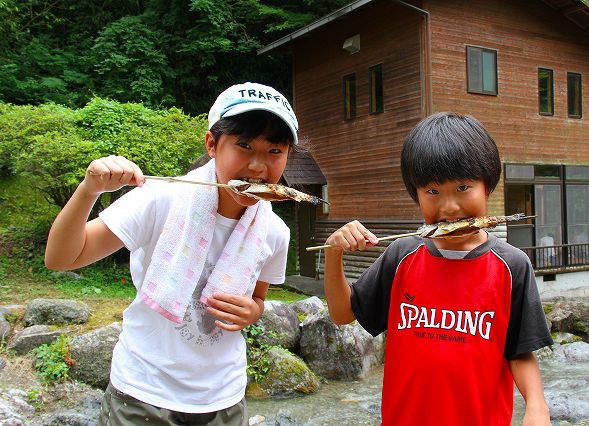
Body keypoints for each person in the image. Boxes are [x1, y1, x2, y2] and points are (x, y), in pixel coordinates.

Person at [45, 82, 299, 425]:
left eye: (274, 151)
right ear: (212, 143)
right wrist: (88, 190)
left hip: (223, 400)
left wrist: (252, 312)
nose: (258, 166)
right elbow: (61, 258)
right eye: (243, 145)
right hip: (141, 394)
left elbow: (257, 299)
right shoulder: (160, 198)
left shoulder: (274, 231)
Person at [323, 112, 553, 425]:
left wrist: (537, 406)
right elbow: (342, 313)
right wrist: (334, 253)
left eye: (463, 188)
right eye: (432, 191)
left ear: (487, 185)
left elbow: (520, 350)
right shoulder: (402, 255)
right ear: (415, 193)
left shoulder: (512, 265)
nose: (448, 207)